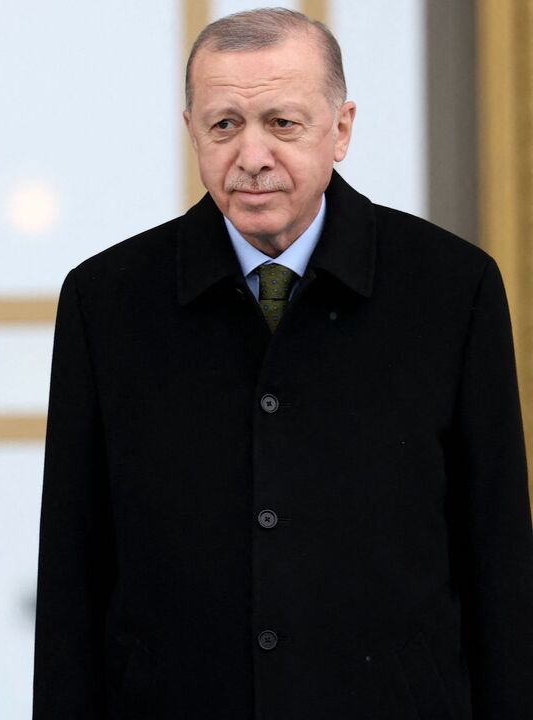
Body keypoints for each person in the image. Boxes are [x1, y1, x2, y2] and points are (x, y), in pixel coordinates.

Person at [34, 8, 533, 718]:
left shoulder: (454, 289)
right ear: (192, 133)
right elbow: (72, 581)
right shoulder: (104, 302)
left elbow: (500, 562)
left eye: (283, 123)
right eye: (225, 125)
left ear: (343, 128)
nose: (252, 155)